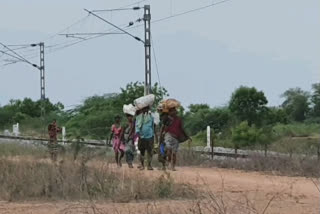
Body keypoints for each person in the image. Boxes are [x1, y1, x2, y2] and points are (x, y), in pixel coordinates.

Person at [135, 106, 155, 170]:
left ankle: (149, 165)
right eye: (144, 108)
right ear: (142, 109)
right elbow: (137, 126)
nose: (145, 110)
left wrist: (153, 134)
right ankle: (142, 165)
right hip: (142, 136)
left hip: (150, 135)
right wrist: (138, 133)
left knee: (150, 151)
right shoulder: (138, 117)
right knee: (142, 151)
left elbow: (153, 126)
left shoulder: (151, 117)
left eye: (146, 108)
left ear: (148, 109)